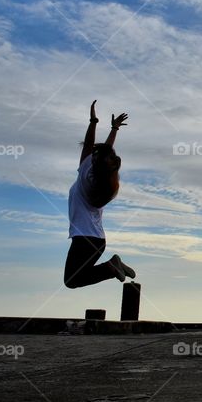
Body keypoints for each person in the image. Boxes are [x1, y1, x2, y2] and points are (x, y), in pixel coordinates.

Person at [64, 101, 136, 288]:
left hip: (85, 238)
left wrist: (93, 122)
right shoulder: (104, 184)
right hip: (95, 240)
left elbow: (90, 144)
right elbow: (106, 151)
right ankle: (112, 266)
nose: (92, 154)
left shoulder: (85, 172)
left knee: (72, 280)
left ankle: (111, 267)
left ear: (96, 161)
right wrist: (114, 129)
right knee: (73, 278)